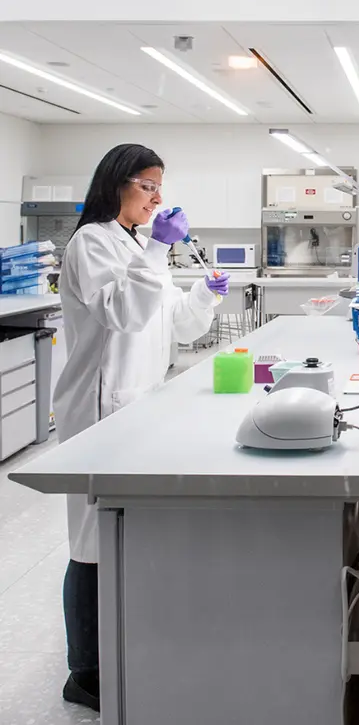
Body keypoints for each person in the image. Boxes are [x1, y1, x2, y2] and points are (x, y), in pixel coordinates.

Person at [55, 144, 229, 712]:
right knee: (90, 541)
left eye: (160, 187)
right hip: (100, 410)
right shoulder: (92, 242)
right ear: (117, 184)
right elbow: (124, 313)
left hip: (138, 407)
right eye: (148, 185)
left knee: (120, 533)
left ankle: (121, 643)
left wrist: (204, 291)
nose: (158, 197)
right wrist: (157, 247)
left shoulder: (133, 243)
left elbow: (173, 324)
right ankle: (85, 672)